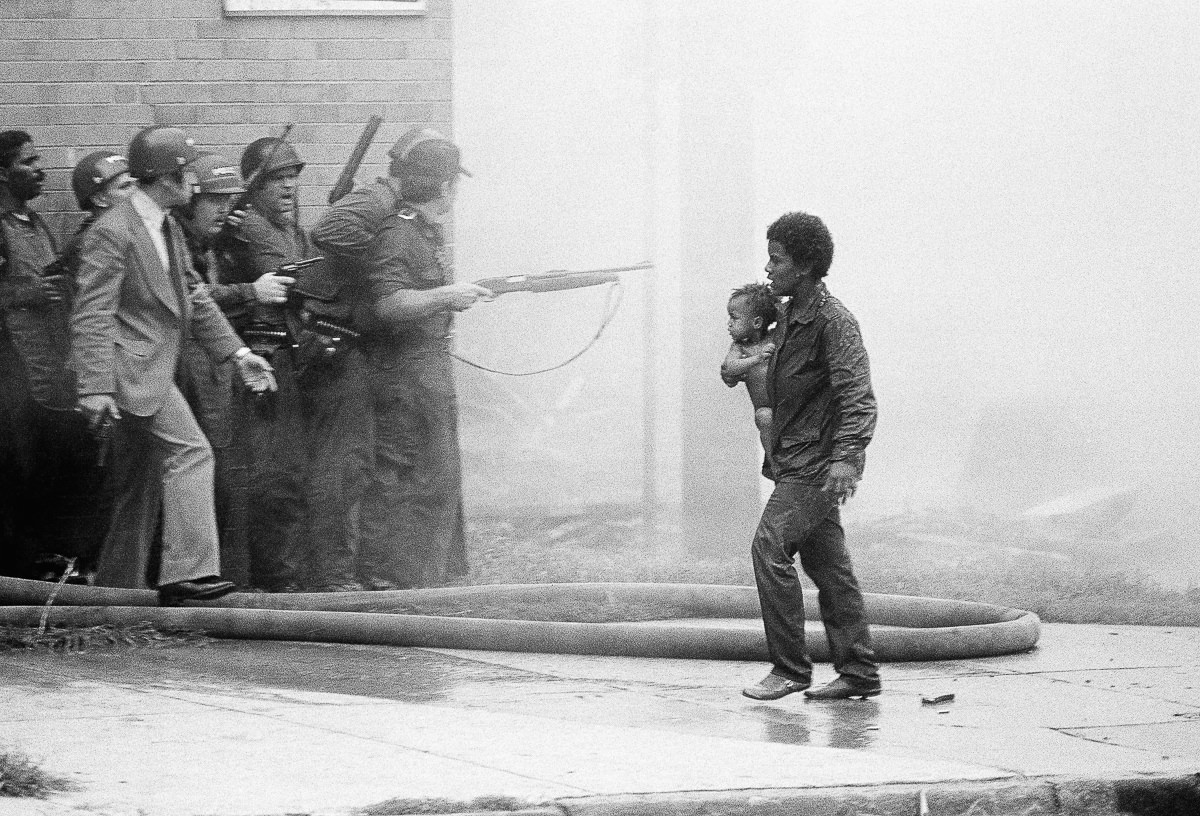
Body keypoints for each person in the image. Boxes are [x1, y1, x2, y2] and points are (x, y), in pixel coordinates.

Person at [69, 125, 277, 605]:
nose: (195, 183)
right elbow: (92, 312)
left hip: (148, 369)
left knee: (139, 484)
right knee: (192, 453)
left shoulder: (163, 225)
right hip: (130, 370)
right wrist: (95, 388)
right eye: (188, 171)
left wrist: (240, 354)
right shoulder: (113, 230)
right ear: (166, 176)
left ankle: (115, 597)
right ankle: (188, 575)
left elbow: (195, 297)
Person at [311, 127, 492, 590]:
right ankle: (386, 577)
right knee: (398, 472)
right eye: (452, 181)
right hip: (402, 370)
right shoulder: (397, 231)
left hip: (423, 367)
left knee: (434, 473)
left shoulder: (419, 228)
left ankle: (422, 577)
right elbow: (389, 304)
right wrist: (448, 297)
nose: (455, 191)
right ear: (438, 183)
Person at [740, 211, 882, 702]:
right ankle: (859, 673)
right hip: (792, 461)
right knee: (829, 568)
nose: (768, 268)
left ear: (802, 266)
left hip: (818, 467)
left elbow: (857, 396)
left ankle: (790, 670)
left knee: (769, 546)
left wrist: (846, 459)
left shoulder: (833, 321)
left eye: (776, 259)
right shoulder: (783, 321)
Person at [219, 136, 372, 592]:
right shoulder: (249, 227)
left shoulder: (291, 229)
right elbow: (302, 278)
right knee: (275, 476)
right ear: (253, 185)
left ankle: (301, 573)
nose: (288, 189)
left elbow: (312, 269)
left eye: (292, 178)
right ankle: (280, 579)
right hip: (264, 356)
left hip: (296, 358)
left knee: (310, 471)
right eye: (276, 179)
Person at [0, 131, 98, 580]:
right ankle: (21, 565)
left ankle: (51, 557)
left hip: (47, 369)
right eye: (28, 161)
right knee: (18, 470)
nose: (40, 169)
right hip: (12, 370)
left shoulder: (33, 223)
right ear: (3, 172)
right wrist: (31, 291)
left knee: (53, 465)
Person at [173, 153, 256, 587]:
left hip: (215, 369)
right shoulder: (176, 241)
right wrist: (251, 291)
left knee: (222, 472)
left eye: (229, 201)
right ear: (191, 201)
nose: (223, 210)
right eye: (214, 201)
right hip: (189, 368)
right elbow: (197, 297)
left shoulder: (205, 243)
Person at [720, 282, 778, 453]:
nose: (729, 324)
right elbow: (729, 368)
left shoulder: (775, 337)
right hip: (766, 410)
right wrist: (757, 359)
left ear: (757, 322)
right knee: (764, 417)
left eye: (734, 317)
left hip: (788, 409)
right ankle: (775, 463)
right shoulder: (739, 347)